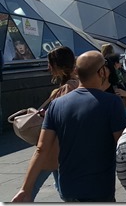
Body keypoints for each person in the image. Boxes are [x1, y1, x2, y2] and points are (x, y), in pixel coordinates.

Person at [12, 51, 126, 202]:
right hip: (99, 189)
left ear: (76, 71)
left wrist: (25, 189)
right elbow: (124, 146)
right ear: (102, 71)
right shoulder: (112, 103)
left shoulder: (56, 105)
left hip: (68, 188)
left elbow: (41, 149)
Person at [30, 47, 80, 200]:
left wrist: (46, 114)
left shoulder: (68, 88)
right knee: (63, 188)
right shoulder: (78, 83)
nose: (48, 68)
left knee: (32, 185)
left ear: (58, 66)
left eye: (50, 64)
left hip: (56, 145)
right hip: (65, 147)